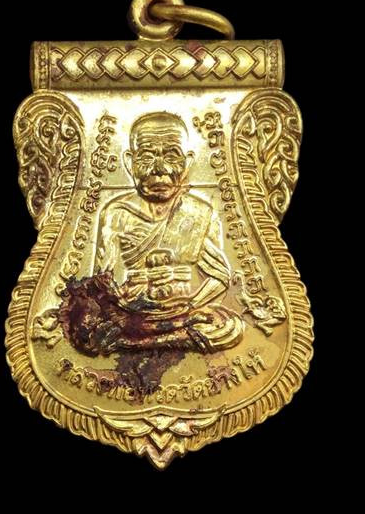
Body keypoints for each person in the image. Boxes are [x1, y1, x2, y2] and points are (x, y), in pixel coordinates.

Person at [79, 111, 243, 354]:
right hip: (133, 315)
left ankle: (140, 343)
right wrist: (128, 300)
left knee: (229, 327)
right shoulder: (117, 212)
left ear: (188, 162)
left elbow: (219, 278)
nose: (159, 169)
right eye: (146, 157)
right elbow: (102, 284)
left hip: (185, 313)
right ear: (129, 162)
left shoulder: (199, 212)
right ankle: (150, 339)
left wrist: (188, 307)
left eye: (171, 156)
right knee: (95, 330)